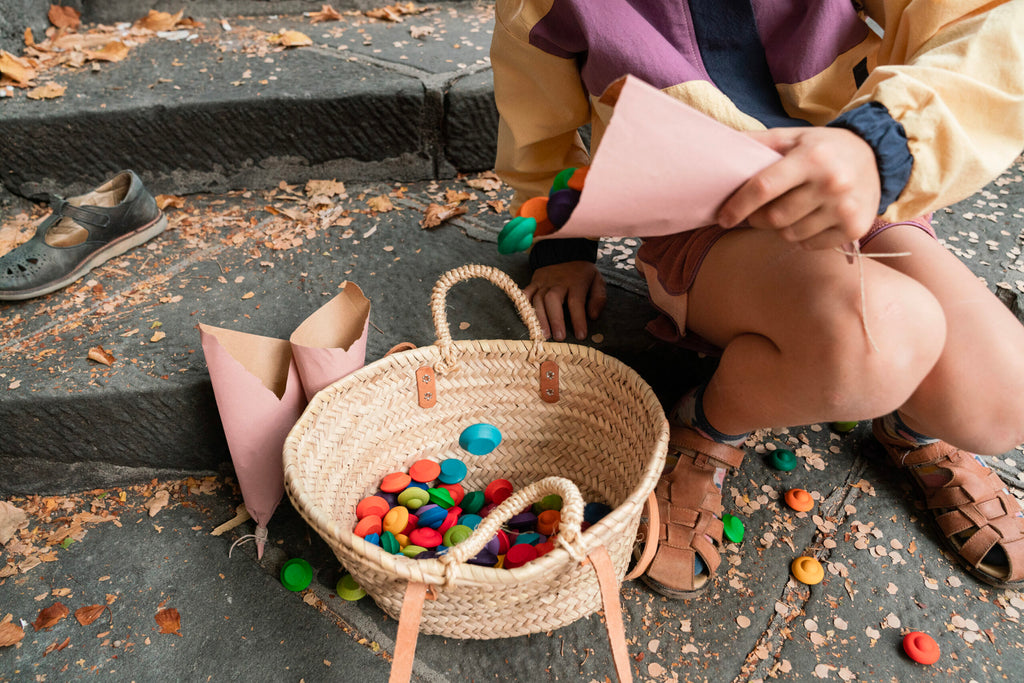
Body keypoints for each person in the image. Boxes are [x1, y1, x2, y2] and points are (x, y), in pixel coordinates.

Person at [491, 0, 1024, 596]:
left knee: (1003, 399)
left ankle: (909, 425)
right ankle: (710, 424)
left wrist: (885, 141)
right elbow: (537, 126)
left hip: (854, 183)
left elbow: (993, 24)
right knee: (877, 336)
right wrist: (560, 246)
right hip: (699, 217)